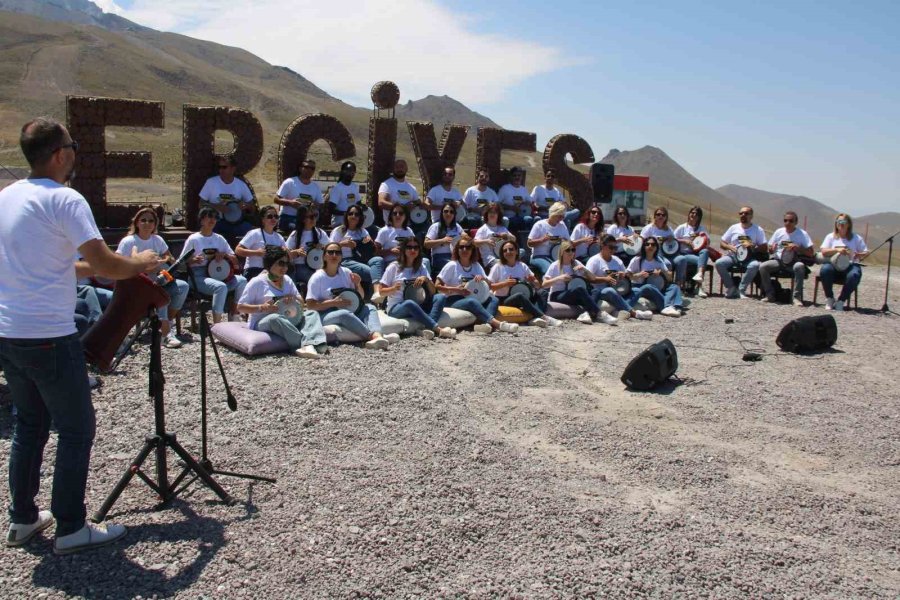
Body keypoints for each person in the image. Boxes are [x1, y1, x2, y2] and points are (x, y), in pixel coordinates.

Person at [1, 117, 162, 554]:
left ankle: (23, 519)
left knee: (30, 425)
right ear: (60, 154)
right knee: (77, 428)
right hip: (49, 335)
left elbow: (55, 265)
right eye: (71, 145)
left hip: (10, 333)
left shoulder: (7, 198)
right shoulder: (66, 199)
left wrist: (108, 266)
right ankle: (71, 527)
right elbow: (109, 265)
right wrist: (140, 262)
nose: (75, 152)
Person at [115, 206, 190, 348]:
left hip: (158, 277)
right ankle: (166, 334)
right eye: (143, 220)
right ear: (137, 223)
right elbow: (118, 263)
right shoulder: (128, 241)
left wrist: (164, 261)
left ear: (155, 224)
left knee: (183, 286)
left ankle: (168, 321)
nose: (147, 223)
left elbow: (169, 256)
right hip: (136, 283)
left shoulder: (157, 240)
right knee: (160, 292)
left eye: (151, 220)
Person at [236, 247, 325, 359]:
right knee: (275, 318)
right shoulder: (257, 282)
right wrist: (261, 307)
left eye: (286, 264)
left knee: (311, 314)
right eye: (281, 263)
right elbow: (240, 307)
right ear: (270, 264)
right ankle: (301, 344)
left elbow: (302, 302)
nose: (284, 268)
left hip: (289, 317)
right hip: (262, 321)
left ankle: (316, 343)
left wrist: (293, 298)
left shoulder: (287, 279)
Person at [305, 243, 392, 349]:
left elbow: (361, 297)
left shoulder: (346, 273)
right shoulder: (317, 278)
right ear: (324, 256)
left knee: (370, 307)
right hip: (325, 314)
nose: (334, 255)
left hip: (349, 309)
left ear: (341, 256)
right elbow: (310, 306)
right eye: (330, 252)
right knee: (344, 314)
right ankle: (373, 336)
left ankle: (378, 336)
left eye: (337, 252)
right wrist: (333, 303)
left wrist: (357, 284)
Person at [435, 234, 518, 334]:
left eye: (468, 247)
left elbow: (489, 286)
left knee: (494, 299)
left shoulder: (476, 266)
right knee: (472, 302)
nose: (465, 250)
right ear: (457, 250)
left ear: (472, 250)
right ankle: (498, 324)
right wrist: (457, 289)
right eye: (461, 247)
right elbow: (437, 286)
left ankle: (486, 325)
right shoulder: (452, 265)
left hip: (476, 297)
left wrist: (483, 278)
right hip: (454, 299)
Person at [180, 207, 248, 323]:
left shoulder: (219, 239)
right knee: (220, 287)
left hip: (220, 273)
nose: (213, 220)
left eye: (215, 217)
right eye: (209, 216)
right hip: (198, 276)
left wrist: (224, 256)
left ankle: (234, 314)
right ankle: (217, 325)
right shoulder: (194, 239)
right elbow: (181, 262)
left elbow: (235, 259)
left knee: (242, 281)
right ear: (201, 220)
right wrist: (193, 260)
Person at [379, 238, 457, 340]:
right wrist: (393, 289)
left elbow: (433, 292)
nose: (413, 250)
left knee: (440, 297)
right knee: (409, 303)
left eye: (416, 248)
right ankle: (438, 330)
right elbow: (381, 292)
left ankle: (426, 328)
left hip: (420, 303)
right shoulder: (393, 267)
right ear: (403, 249)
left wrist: (427, 280)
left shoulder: (421, 267)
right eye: (409, 247)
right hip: (397, 307)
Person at [488, 240, 561, 327]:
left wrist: (533, 281)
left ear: (516, 251)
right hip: (504, 299)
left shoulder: (522, 266)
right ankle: (544, 317)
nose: (508, 252)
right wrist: (505, 283)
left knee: (543, 292)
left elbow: (538, 285)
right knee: (519, 295)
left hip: (524, 296)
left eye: (511, 249)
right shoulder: (498, 267)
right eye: (505, 250)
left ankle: (533, 318)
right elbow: (490, 287)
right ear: (502, 253)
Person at [541, 240, 616, 325]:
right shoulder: (555, 265)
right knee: (580, 289)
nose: (571, 252)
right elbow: (544, 284)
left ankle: (586, 313)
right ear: (562, 252)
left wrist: (584, 270)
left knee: (595, 291)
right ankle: (599, 314)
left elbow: (593, 278)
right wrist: (559, 278)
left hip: (572, 294)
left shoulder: (576, 263)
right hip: (557, 295)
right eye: (568, 250)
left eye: (573, 250)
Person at [585, 235, 653, 321]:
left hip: (619, 288)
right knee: (610, 291)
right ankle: (634, 313)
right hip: (602, 290)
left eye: (615, 248)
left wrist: (623, 275)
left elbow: (627, 276)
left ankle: (619, 311)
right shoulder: (594, 260)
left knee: (638, 291)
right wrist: (605, 279)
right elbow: (588, 278)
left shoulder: (617, 260)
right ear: (602, 246)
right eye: (611, 247)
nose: (613, 250)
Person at [758, 210, 814, 306]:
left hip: (794, 261)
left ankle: (796, 297)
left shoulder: (802, 234)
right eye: (785, 220)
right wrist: (772, 248)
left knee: (800, 266)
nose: (787, 223)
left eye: (791, 221)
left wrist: (798, 248)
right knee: (763, 267)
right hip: (779, 261)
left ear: (796, 222)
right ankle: (770, 294)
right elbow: (770, 249)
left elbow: (811, 252)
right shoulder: (779, 232)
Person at [715, 206, 767, 299]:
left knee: (754, 265)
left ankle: (741, 290)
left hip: (749, 257)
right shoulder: (733, 228)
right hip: (733, 256)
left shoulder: (758, 230)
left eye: (746, 213)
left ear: (751, 216)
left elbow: (764, 247)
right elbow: (722, 243)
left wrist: (753, 246)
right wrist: (728, 246)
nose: (743, 215)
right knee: (719, 263)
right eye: (741, 213)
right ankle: (731, 288)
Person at [820, 213, 869, 311]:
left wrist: (860, 254)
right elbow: (824, 251)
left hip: (850, 265)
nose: (841, 224)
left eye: (843, 222)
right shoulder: (830, 237)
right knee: (825, 269)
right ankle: (830, 298)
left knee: (855, 274)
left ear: (849, 224)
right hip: (834, 264)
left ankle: (841, 301)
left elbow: (866, 251)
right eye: (838, 222)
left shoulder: (856, 238)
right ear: (836, 224)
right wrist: (837, 250)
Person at [199, 155, 255, 241]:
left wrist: (245, 206)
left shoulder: (241, 185)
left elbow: (252, 207)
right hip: (217, 222)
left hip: (237, 223)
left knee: (252, 232)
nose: (221, 170)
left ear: (233, 168)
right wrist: (217, 207)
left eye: (224, 167)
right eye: (219, 167)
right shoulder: (211, 183)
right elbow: (201, 204)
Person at [626, 237, 684, 317]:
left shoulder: (658, 260)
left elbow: (669, 278)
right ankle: (668, 306)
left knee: (674, 286)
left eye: (653, 244)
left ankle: (675, 307)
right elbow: (628, 276)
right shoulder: (637, 259)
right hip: (641, 286)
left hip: (658, 287)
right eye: (647, 244)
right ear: (643, 246)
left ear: (656, 247)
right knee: (648, 287)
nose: (650, 246)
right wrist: (639, 275)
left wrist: (662, 271)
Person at [369, 204, 418, 299]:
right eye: (395, 213)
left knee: (425, 261)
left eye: (401, 213)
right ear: (391, 215)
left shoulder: (409, 231)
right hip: (390, 262)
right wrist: (390, 251)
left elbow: (415, 248)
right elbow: (374, 251)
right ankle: (380, 293)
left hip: (408, 261)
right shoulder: (385, 231)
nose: (398, 215)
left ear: (405, 215)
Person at [329, 205, 376, 300]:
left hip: (362, 259)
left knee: (378, 261)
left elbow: (371, 248)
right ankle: (370, 299)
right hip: (345, 260)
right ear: (346, 216)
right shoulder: (339, 231)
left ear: (360, 217)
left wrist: (369, 241)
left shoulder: (363, 231)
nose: (353, 216)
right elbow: (329, 248)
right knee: (371, 272)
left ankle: (376, 294)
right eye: (351, 213)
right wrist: (342, 244)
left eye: (356, 214)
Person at [235, 205, 287, 280]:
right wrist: (256, 252)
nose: (273, 219)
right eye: (270, 216)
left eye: (276, 216)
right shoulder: (254, 233)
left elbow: (286, 256)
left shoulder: (279, 237)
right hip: (254, 270)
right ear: (263, 219)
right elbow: (238, 250)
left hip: (273, 271)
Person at [274, 158, 324, 234]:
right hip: (289, 217)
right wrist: (291, 203)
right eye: (307, 167)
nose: (309, 170)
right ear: (300, 168)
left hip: (307, 219)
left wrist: (313, 205)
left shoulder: (315, 186)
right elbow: (276, 199)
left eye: (312, 168)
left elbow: (320, 204)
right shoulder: (290, 182)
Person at [285, 205, 329, 291]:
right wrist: (296, 252)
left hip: (317, 266)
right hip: (300, 266)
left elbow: (330, 248)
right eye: (311, 217)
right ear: (303, 219)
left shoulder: (320, 233)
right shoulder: (295, 234)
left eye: (315, 216)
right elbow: (286, 252)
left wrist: (323, 247)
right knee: (316, 280)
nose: (314, 219)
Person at [671, 206, 710, 297]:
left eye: (697, 214)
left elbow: (708, 241)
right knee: (701, 261)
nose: (694, 215)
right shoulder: (682, 227)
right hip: (684, 254)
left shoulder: (701, 228)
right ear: (689, 214)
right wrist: (684, 241)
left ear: (699, 217)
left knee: (705, 251)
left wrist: (701, 237)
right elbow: (672, 239)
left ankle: (699, 277)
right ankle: (698, 287)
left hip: (696, 253)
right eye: (692, 213)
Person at [527, 203, 570, 280]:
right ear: (553, 213)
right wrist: (542, 240)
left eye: (563, 217)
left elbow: (568, 242)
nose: (561, 219)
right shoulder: (540, 225)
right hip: (539, 256)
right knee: (549, 269)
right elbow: (529, 243)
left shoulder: (562, 225)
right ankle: (546, 288)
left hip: (556, 256)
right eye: (559, 216)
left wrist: (562, 240)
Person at [424, 203, 464, 277]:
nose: (448, 214)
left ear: (454, 214)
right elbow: (426, 244)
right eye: (446, 211)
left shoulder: (457, 227)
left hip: (456, 255)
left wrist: (465, 236)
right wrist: (442, 240)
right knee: (453, 266)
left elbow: (466, 237)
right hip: (440, 257)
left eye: (451, 212)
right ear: (442, 213)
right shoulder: (435, 226)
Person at [474, 202, 516, 270]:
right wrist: (486, 241)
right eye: (490, 212)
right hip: (490, 260)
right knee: (505, 265)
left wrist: (507, 236)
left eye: (495, 212)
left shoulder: (502, 228)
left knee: (521, 252)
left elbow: (514, 239)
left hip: (504, 256)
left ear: (498, 215)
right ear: (487, 214)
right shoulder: (483, 229)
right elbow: (475, 243)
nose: (492, 214)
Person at [377, 159, 419, 225]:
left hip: (407, 226)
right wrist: (404, 208)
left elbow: (417, 202)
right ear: (393, 169)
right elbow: (381, 203)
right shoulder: (386, 184)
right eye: (397, 167)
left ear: (406, 169)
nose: (399, 169)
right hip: (391, 226)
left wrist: (416, 204)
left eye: (402, 167)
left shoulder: (412, 188)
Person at [498, 167, 535, 234]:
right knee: (515, 222)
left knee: (529, 220)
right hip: (508, 217)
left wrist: (524, 202)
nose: (517, 177)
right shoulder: (504, 189)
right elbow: (497, 204)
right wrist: (511, 208)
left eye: (519, 175)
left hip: (522, 215)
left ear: (522, 177)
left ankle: (525, 241)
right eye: (514, 175)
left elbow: (530, 202)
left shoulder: (524, 189)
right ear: (511, 177)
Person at [326, 161, 361, 227]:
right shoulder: (337, 188)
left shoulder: (355, 187)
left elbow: (358, 203)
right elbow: (330, 209)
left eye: (352, 172)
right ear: (342, 172)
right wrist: (347, 214)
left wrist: (363, 207)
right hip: (340, 224)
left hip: (353, 224)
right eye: (347, 171)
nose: (350, 174)